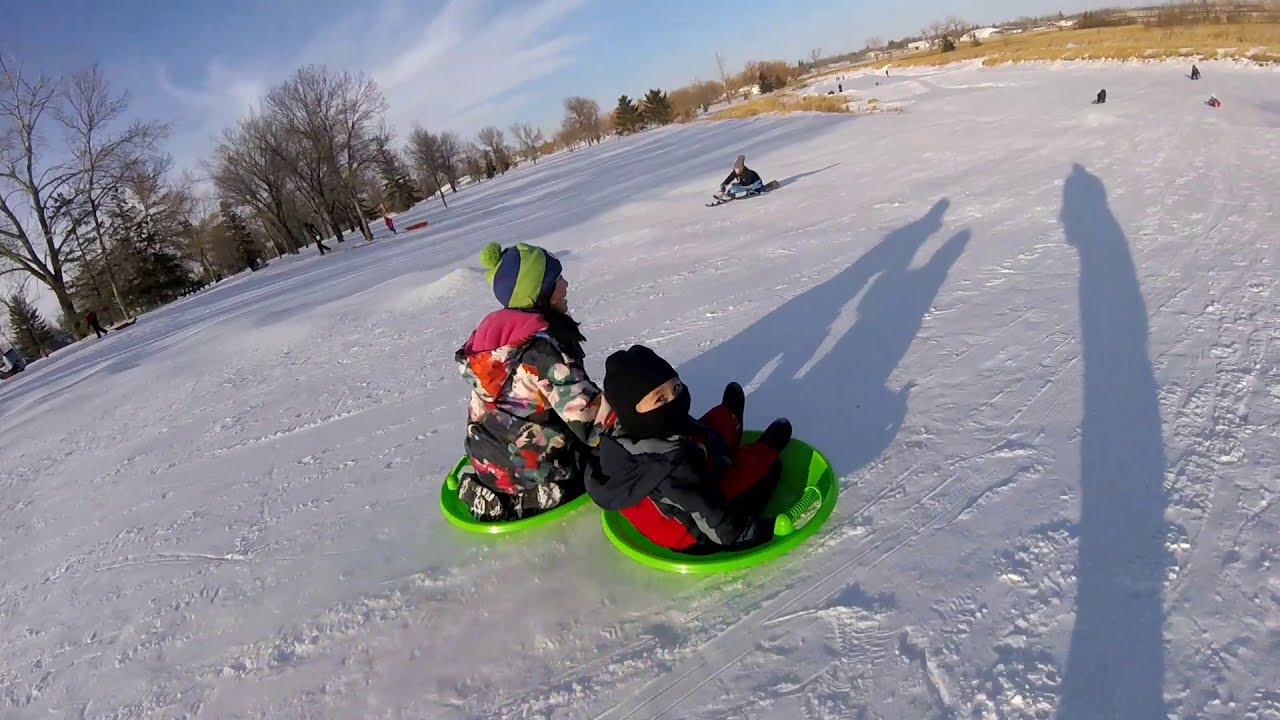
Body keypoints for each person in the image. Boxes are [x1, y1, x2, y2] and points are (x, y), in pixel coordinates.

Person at [586, 344, 793, 554]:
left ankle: (729, 419)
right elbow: (708, 510)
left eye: (676, 388)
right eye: (660, 398)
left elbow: (685, 427)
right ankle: (766, 449)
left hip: (675, 486)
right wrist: (743, 534)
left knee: (699, 429)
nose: (674, 399)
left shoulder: (632, 430)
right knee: (760, 470)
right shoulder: (666, 467)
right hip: (692, 532)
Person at [455, 242, 609, 521]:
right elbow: (588, 420)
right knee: (603, 457)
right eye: (557, 279)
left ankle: (495, 488)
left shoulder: (492, 341)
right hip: (533, 470)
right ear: (540, 291)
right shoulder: (542, 352)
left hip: (486, 459)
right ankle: (534, 496)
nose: (566, 284)